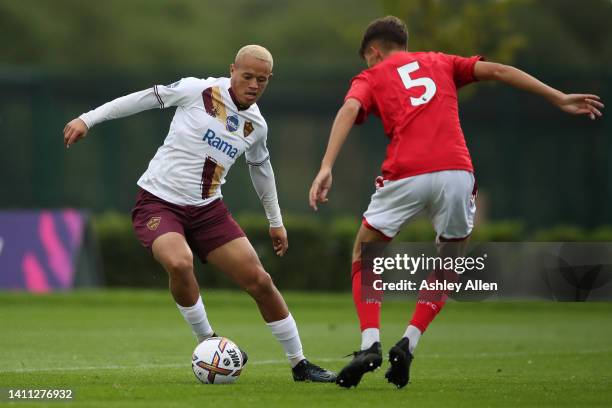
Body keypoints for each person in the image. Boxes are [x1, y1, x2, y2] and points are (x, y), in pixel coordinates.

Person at [309, 16, 604, 389]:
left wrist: (326, 166)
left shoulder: (371, 75)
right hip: (455, 172)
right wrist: (558, 97)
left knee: (364, 254)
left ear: (374, 51)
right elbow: (498, 70)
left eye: (367, 59)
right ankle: (409, 342)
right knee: (450, 259)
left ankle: (370, 344)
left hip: (406, 171)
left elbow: (349, 109)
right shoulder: (441, 61)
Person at [64, 44, 336, 383]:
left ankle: (300, 364)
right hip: (158, 203)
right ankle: (207, 341)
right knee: (179, 262)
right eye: (248, 76)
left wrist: (275, 221)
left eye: (262, 80)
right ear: (232, 69)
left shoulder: (256, 126)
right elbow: (141, 99)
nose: (253, 84)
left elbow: (262, 171)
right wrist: (87, 119)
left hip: (209, 211)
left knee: (260, 281)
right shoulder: (198, 90)